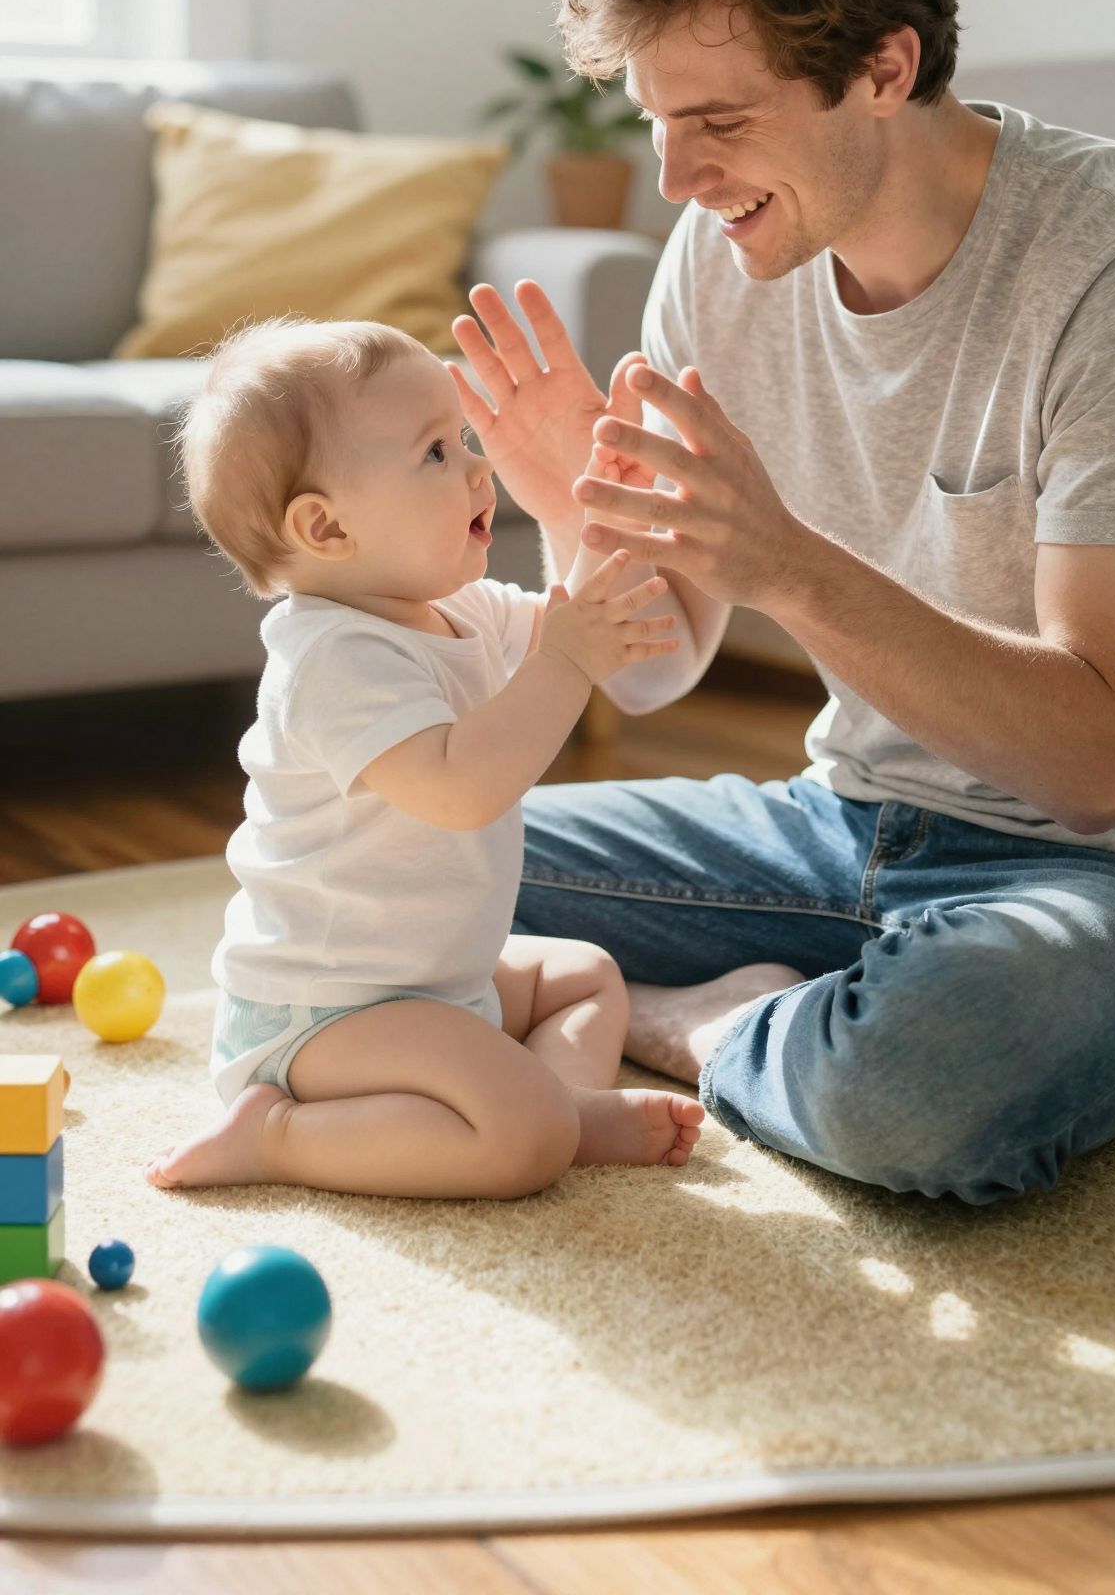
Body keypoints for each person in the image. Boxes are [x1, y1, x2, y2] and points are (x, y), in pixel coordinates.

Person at [448, 0, 1115, 1209]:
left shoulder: (1110, 267)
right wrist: (575, 511)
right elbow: (654, 671)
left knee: (912, 1092)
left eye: (719, 123)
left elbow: (1101, 763)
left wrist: (789, 565)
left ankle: (705, 1025)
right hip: (839, 824)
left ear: (884, 68)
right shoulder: (720, 258)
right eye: (656, 124)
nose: (676, 181)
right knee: (407, 853)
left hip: (1099, 868)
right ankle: (812, 1013)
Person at [143, 317, 704, 1202]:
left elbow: (581, 617)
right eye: (436, 452)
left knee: (585, 977)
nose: (478, 467)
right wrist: (566, 661)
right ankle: (276, 1134)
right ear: (326, 526)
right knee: (518, 1140)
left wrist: (599, 519)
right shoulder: (330, 659)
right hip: (326, 1015)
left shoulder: (458, 609)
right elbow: (459, 788)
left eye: (463, 438)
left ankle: (565, 1109)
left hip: (440, 983)